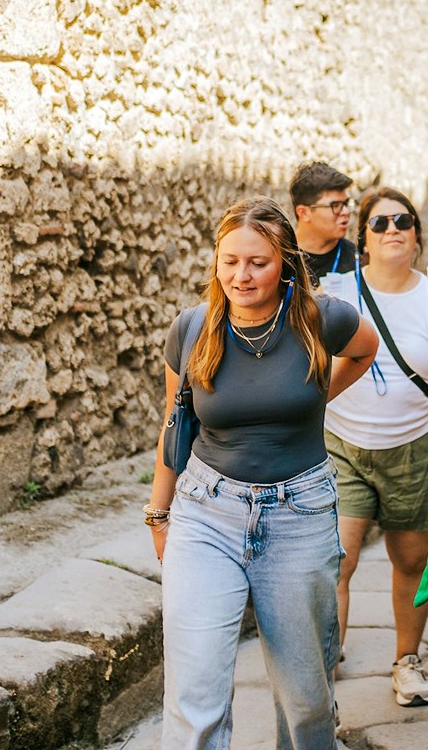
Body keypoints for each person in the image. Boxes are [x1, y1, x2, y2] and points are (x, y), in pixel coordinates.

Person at [146, 197, 378, 749]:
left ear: (285, 263)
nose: (241, 276)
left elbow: (365, 350)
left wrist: (317, 395)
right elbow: (172, 425)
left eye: (257, 262)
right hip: (206, 511)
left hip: (299, 513)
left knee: (306, 700)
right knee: (194, 693)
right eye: (230, 261)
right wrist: (160, 512)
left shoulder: (322, 318)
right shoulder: (192, 328)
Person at [319, 187, 428, 708]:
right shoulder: (335, 292)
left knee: (411, 560)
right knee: (336, 559)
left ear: (417, 234)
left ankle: (406, 660)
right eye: (380, 223)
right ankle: (327, 664)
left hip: (414, 451)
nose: (393, 230)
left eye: (403, 222)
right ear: (362, 239)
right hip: (341, 445)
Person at [290, 161, 358, 284]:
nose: (346, 212)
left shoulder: (358, 261)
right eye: (335, 205)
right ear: (304, 213)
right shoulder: (279, 258)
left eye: (346, 204)